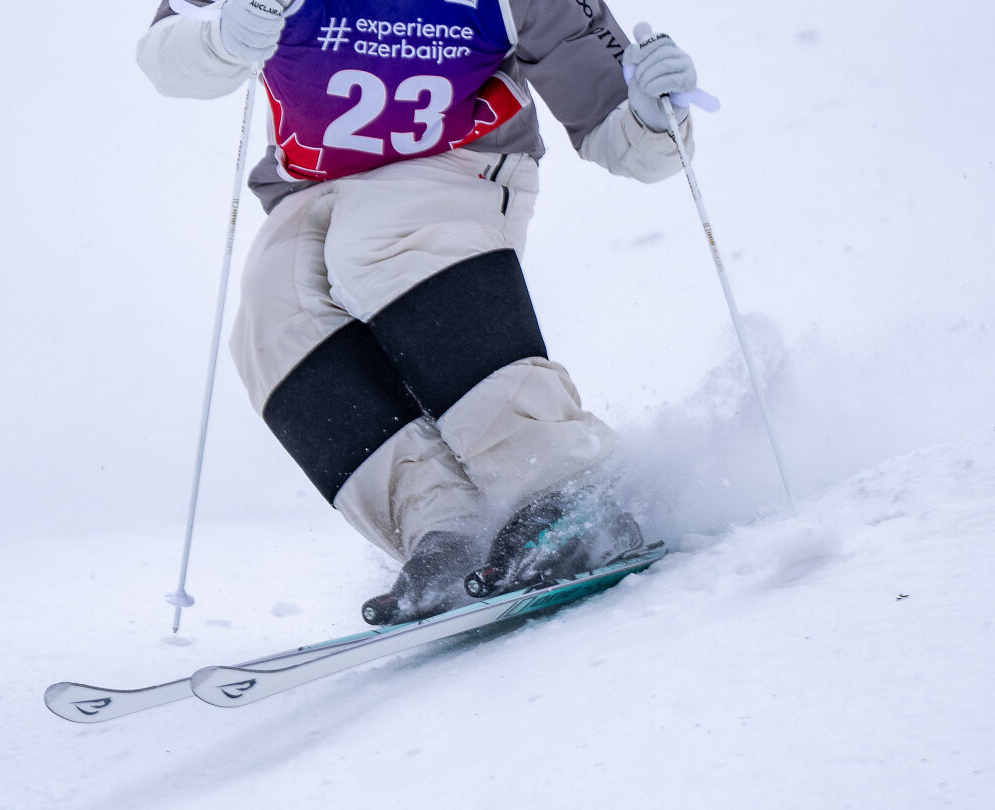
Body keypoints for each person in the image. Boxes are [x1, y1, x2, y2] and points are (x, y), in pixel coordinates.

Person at [137, 0, 694, 625]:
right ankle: (446, 526)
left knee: (388, 245)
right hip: (312, 185)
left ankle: (565, 485)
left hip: (457, 164)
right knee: (274, 318)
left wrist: (652, 116)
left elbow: (619, 131)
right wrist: (221, 39)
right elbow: (164, 56)